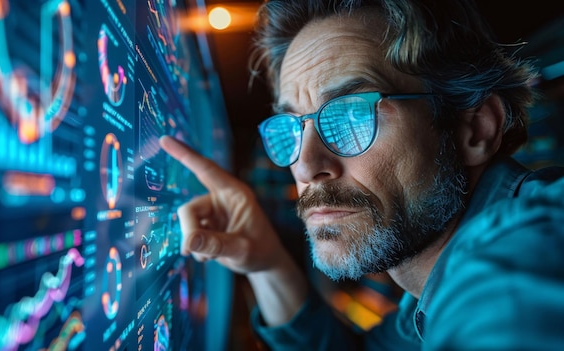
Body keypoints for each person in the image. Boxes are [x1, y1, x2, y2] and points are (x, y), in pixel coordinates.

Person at [160, 0, 564, 349]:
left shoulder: (529, 247)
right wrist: (267, 264)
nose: (304, 166)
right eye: (292, 127)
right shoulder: (425, 297)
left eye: (353, 115)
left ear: (475, 129)